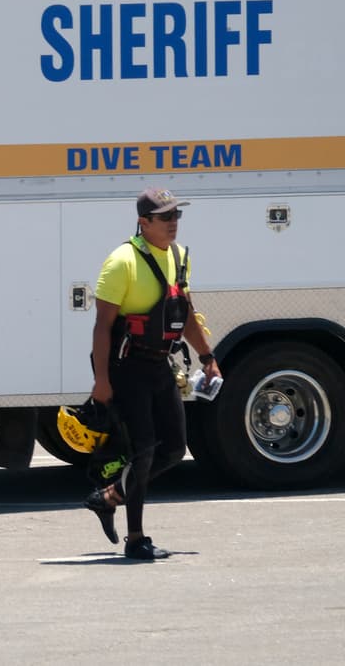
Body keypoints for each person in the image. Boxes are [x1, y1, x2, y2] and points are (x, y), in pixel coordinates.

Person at [84, 187, 222, 560]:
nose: (174, 223)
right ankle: (136, 539)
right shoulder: (121, 261)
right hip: (126, 367)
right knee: (143, 449)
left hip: (160, 364)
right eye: (166, 217)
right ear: (144, 222)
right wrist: (101, 380)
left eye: (177, 215)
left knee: (175, 448)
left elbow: (185, 313)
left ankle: (108, 497)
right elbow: (101, 327)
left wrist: (207, 354)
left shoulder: (179, 257)